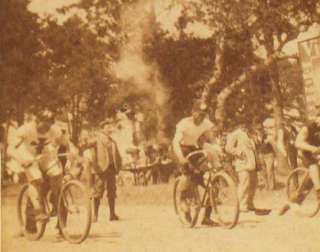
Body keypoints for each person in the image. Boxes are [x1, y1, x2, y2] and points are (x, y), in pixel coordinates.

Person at [7, 110, 73, 237]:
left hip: (45, 157)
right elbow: (10, 148)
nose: (46, 128)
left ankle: (56, 206)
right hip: (29, 157)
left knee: (57, 175)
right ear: (37, 122)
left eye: (49, 125)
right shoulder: (25, 129)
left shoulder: (54, 129)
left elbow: (66, 143)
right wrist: (20, 159)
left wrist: (72, 153)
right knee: (36, 180)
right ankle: (35, 217)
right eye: (44, 125)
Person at [172, 99, 218, 226]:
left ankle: (206, 218)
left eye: (204, 114)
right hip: (181, 148)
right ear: (193, 112)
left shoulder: (206, 123)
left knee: (212, 182)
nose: (201, 116)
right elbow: (175, 142)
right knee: (187, 176)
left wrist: (218, 150)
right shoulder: (184, 123)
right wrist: (181, 157)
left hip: (193, 148)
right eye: (199, 113)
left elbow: (212, 140)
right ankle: (183, 203)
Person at [279, 110, 320, 215]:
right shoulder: (308, 127)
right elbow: (298, 143)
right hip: (306, 152)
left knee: (311, 180)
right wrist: (313, 149)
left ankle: (292, 201)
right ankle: (319, 191)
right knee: (313, 167)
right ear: (316, 118)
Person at [81, 117, 122, 222]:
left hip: (111, 169)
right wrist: (84, 140)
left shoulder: (113, 141)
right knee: (98, 192)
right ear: (103, 128)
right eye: (107, 127)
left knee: (112, 191)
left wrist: (119, 166)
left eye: (110, 127)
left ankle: (112, 214)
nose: (110, 128)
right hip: (101, 169)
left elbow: (117, 155)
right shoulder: (97, 139)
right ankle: (95, 215)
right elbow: (86, 144)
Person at [225, 125, 258, 213]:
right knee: (244, 184)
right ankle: (242, 205)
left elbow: (253, 149)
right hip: (242, 163)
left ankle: (250, 203)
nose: (245, 126)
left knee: (253, 183)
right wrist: (239, 152)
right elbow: (228, 148)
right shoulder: (235, 134)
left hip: (252, 162)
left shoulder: (250, 134)